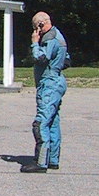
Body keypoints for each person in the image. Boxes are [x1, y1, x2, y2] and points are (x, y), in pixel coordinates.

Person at [21, 11, 68, 173]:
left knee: (41, 122)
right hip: (58, 80)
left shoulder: (49, 39)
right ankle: (53, 159)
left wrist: (35, 43)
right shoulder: (60, 37)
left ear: (40, 25)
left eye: (36, 27)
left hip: (49, 84)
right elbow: (67, 60)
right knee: (53, 122)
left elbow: (40, 58)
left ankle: (41, 162)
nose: (36, 31)